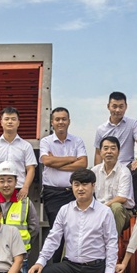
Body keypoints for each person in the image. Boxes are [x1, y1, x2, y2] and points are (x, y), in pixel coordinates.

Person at [39, 107, 88, 262]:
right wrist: (71, 158)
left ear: (69, 121)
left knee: (76, 231)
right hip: (53, 193)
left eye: (64, 119)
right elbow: (46, 161)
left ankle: (73, 266)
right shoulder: (46, 142)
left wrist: (56, 164)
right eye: (57, 119)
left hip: (73, 193)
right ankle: (54, 267)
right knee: (56, 232)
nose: (61, 122)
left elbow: (83, 164)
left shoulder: (77, 141)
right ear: (52, 122)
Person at [93, 91, 137, 210]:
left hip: (127, 164)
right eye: (114, 106)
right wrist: (97, 170)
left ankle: (136, 208)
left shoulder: (133, 123)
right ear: (108, 106)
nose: (117, 110)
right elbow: (98, 152)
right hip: (108, 165)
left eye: (121, 106)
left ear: (126, 107)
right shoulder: (101, 129)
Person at [0, 161, 39, 273]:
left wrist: (23, 246)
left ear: (16, 181)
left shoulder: (25, 202)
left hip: (20, 258)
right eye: (2, 181)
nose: (6, 185)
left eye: (10, 180)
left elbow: (34, 228)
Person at [0, 107, 38, 201]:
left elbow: (31, 169)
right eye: (6, 119)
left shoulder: (26, 146)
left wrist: (25, 188)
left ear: (18, 123)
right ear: (1, 122)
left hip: (20, 192)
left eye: (13, 119)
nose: (10, 122)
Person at [91, 136, 135, 234]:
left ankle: (112, 242)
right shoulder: (94, 171)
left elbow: (122, 198)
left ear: (118, 152)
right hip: (99, 212)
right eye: (106, 148)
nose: (109, 152)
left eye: (113, 148)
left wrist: (101, 208)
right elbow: (87, 192)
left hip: (122, 213)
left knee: (116, 206)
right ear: (100, 152)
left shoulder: (124, 171)